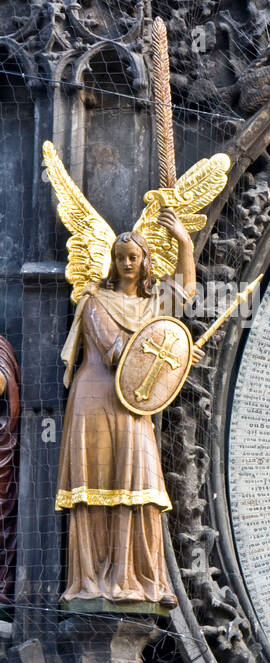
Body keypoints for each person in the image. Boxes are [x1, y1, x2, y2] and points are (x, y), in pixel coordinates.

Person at [56, 210, 201, 608]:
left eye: (133, 257)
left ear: (144, 261)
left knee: (141, 484)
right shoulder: (95, 301)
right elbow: (115, 352)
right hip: (97, 396)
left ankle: (138, 578)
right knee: (95, 487)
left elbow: (187, 293)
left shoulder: (156, 303)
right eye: (120, 257)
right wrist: (169, 349)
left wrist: (185, 243)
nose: (126, 263)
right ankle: (91, 580)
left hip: (135, 404)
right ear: (113, 261)